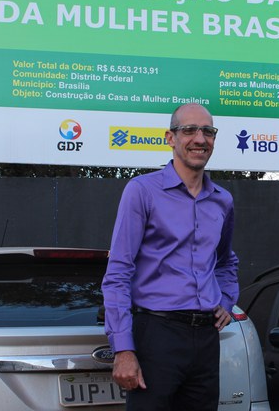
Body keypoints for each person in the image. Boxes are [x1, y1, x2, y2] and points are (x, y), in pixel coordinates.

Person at [101, 103, 239, 411]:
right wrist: (123, 349)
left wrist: (228, 299)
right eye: (189, 130)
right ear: (170, 138)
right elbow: (118, 271)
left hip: (206, 338)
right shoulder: (142, 191)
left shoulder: (223, 201)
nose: (199, 139)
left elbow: (226, 261)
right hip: (156, 335)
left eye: (208, 132)